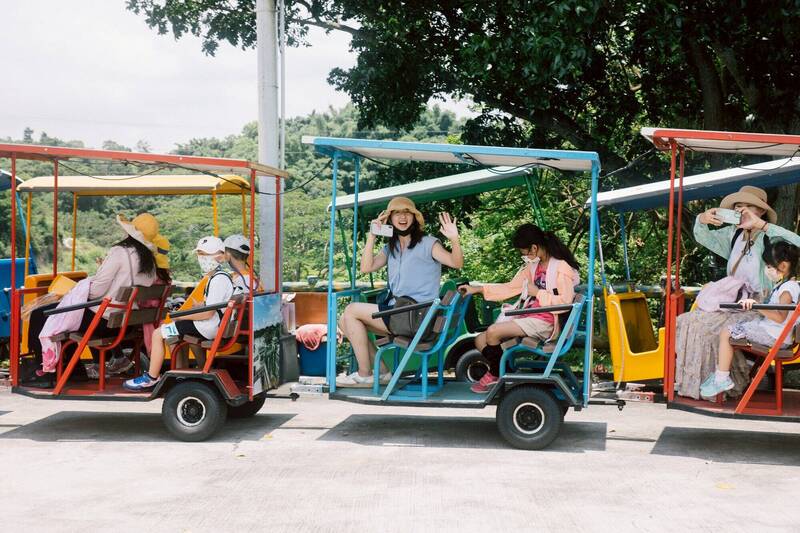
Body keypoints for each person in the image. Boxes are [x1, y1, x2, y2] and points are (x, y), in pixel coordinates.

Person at [674, 186, 800, 399]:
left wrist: (761, 225)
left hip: (759, 306)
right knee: (687, 321)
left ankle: (726, 384)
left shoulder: (770, 236)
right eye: (739, 207)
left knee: (711, 330)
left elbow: (797, 244)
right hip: (732, 301)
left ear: (761, 211)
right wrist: (703, 218)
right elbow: (703, 236)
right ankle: (695, 386)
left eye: (750, 207)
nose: (743, 210)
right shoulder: (734, 234)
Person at [336, 196, 463, 388]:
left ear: (414, 218)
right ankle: (383, 373)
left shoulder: (429, 244)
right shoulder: (390, 248)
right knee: (344, 321)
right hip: (401, 314)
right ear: (390, 219)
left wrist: (454, 239)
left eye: (407, 213)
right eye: (397, 213)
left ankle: (364, 374)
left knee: (352, 310)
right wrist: (372, 235)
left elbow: (456, 263)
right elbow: (366, 268)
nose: (402, 217)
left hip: (418, 316)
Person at [25, 213, 159, 387]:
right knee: (67, 315)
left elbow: (98, 288)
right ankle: (75, 371)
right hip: (126, 322)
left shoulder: (120, 252)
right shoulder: (149, 260)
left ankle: (44, 372)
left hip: (105, 322)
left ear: (130, 232)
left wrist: (78, 292)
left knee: (40, 315)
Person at [459, 224, 580, 393]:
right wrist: (478, 289)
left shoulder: (561, 268)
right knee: (480, 340)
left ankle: (495, 374)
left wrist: (538, 293)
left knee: (493, 331)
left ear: (534, 248)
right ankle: (503, 371)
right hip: (530, 317)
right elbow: (509, 288)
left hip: (547, 322)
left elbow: (565, 302)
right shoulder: (532, 268)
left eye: (524, 254)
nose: (525, 258)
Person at [124, 236, 234, 390]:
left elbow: (207, 314)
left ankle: (151, 377)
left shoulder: (217, 280)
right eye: (200, 254)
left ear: (219, 256)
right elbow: (213, 306)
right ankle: (180, 373)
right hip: (213, 325)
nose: (201, 258)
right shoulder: (220, 277)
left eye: (205, 254)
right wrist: (199, 306)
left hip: (207, 327)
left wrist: (181, 316)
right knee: (172, 331)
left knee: (158, 333)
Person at [700, 240, 800, 398]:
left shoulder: (789, 288)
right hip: (775, 333)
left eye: (768, 266)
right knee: (732, 327)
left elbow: (781, 317)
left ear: (783, 266)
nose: (767, 270)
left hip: (775, 336)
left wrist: (756, 305)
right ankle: (722, 376)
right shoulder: (785, 285)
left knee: (726, 332)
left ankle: (722, 378)